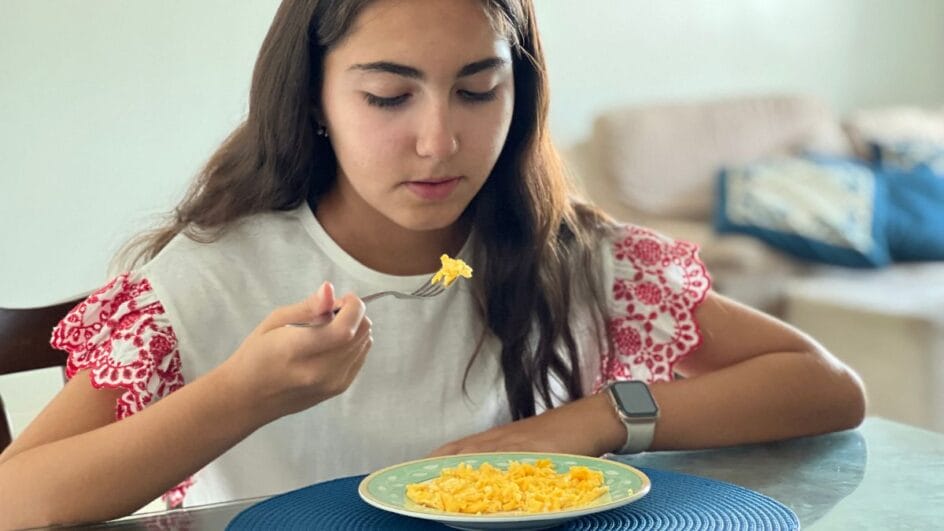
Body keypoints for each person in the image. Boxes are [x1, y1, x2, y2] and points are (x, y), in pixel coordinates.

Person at [0, 0, 866, 528]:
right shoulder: (218, 273)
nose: (438, 140)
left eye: (479, 89)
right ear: (314, 101)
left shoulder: (566, 251)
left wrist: (596, 420)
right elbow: (17, 498)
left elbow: (827, 387)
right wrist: (243, 393)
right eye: (387, 96)